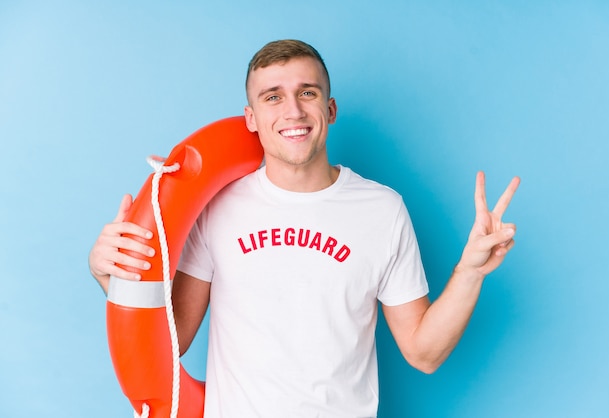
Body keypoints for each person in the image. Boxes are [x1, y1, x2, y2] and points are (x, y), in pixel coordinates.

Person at [89, 39, 520, 417]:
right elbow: (172, 338)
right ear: (251, 118)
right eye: (272, 97)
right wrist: (111, 278)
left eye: (307, 93)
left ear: (329, 109)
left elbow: (423, 353)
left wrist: (469, 273)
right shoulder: (217, 208)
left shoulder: (383, 210)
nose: (292, 110)